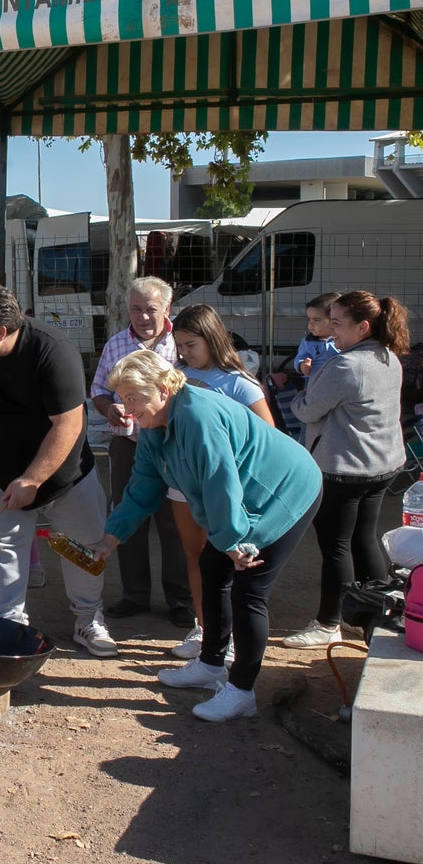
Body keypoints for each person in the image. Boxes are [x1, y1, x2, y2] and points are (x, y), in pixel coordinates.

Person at [97, 350, 321, 722]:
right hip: (244, 498)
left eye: (133, 397)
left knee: (249, 591)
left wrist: (232, 542)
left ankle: (242, 691)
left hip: (286, 492)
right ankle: (211, 663)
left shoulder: (198, 416)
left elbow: (221, 482)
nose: (127, 407)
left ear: (163, 389)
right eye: (122, 397)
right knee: (212, 570)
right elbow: (144, 487)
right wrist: (111, 537)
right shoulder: (155, 426)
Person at [0, 281, 117, 657]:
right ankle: (9, 622)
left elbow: (68, 424)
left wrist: (32, 478)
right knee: (3, 549)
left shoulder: (53, 352)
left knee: (82, 548)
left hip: (67, 479)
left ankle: (88, 618)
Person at [286, 290, 409, 648]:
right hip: (382, 465)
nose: (330, 332)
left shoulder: (345, 366)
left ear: (363, 326)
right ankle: (373, 615)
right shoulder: (388, 356)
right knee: (363, 537)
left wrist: (296, 396)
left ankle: (328, 622)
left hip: (345, 468)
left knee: (336, 546)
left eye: (337, 324)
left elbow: (308, 410)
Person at [166, 303, 275, 661]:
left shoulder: (240, 383)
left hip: (229, 489)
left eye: (191, 345)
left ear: (212, 339)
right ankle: (204, 628)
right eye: (179, 345)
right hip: (184, 485)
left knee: (229, 561)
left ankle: (226, 637)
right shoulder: (176, 375)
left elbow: (268, 436)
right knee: (196, 556)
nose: (184, 353)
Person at [90, 278, 193, 626]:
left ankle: (180, 598)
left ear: (167, 309)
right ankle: (134, 595)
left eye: (150, 309)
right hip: (128, 443)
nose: (143, 316)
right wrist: (109, 409)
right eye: (136, 309)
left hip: (174, 443)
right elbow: (99, 390)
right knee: (128, 514)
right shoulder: (117, 344)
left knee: (174, 521)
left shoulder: (183, 343)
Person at [294, 293, 340, 382]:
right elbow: (300, 357)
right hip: (313, 382)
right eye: (309, 319)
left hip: (337, 381)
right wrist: (302, 366)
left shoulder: (341, 339)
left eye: (317, 320)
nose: (310, 324)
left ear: (334, 321)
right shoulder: (307, 342)